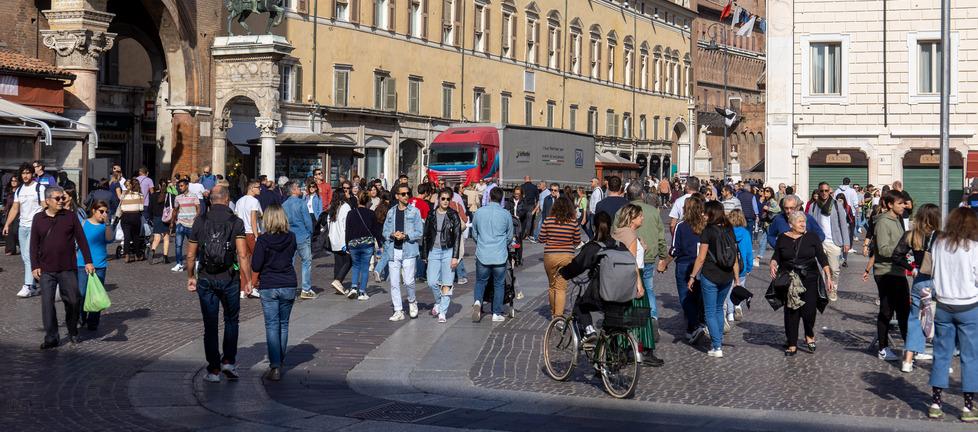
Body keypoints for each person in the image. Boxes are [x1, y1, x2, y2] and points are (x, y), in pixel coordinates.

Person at [185, 185, 252, 383]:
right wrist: (247, 280)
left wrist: (190, 276)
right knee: (232, 320)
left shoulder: (200, 220)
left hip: (206, 277)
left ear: (211, 199)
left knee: (210, 324)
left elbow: (190, 254)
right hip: (229, 277)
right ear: (227, 199)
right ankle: (229, 361)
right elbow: (242, 254)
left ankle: (213, 369)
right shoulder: (235, 222)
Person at [927, 207, 978, 421]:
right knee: (970, 358)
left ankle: (935, 403)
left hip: (944, 305)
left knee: (941, 354)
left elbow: (932, 270)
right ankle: (968, 407)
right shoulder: (974, 246)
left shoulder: (938, 243)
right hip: (968, 305)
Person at [31, 186, 95, 348]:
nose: (62, 201)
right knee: (47, 303)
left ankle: (72, 329)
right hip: (46, 269)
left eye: (63, 198)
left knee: (74, 300)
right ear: (47, 201)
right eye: (57, 198)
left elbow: (81, 239)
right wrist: (34, 265)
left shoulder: (70, 217)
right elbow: (33, 244)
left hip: (67, 267)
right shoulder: (38, 219)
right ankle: (51, 337)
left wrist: (88, 261)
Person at [770, 211, 831, 356]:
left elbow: (821, 257)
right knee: (792, 312)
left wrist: (828, 275)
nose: (803, 224)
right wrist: (773, 263)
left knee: (809, 311)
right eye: (800, 222)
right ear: (791, 224)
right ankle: (792, 343)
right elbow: (776, 256)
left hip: (809, 278)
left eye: (804, 221)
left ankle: (809, 334)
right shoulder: (782, 238)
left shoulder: (812, 237)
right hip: (790, 280)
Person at [249, 203, 296, 382]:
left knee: (271, 325)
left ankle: (275, 365)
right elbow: (290, 256)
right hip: (288, 282)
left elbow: (256, 265)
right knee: (283, 324)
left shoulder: (263, 240)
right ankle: (279, 361)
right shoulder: (291, 237)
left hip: (269, 284)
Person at [687, 201, 740, 358]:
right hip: (727, 275)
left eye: (705, 212)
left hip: (710, 275)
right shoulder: (729, 228)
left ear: (711, 214)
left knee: (710, 310)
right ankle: (718, 340)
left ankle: (716, 346)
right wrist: (736, 278)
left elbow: (701, 257)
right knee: (718, 309)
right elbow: (735, 257)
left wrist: (691, 277)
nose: (703, 215)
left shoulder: (708, 231)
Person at [612, 204, 663, 366]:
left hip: (622, 280)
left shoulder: (621, 232)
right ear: (632, 218)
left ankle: (626, 348)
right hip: (634, 277)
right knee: (641, 316)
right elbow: (632, 262)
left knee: (627, 315)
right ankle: (644, 351)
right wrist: (639, 285)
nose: (643, 218)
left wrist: (640, 244)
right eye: (640, 216)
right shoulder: (631, 236)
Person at [895, 203, 940, 373]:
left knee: (914, 319)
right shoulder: (941, 237)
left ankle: (907, 360)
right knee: (940, 321)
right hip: (938, 281)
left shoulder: (912, 235)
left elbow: (896, 255)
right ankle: (939, 362)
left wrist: (912, 268)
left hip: (920, 279)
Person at [659, 194, 706, 342]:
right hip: (701, 265)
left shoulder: (681, 225)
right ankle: (692, 328)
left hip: (684, 265)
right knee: (698, 297)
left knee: (686, 299)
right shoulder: (706, 225)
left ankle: (696, 325)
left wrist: (665, 263)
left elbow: (674, 250)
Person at [869, 189, 909, 362]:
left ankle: (910, 349)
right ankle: (883, 348)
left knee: (903, 311)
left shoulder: (898, 219)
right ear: (890, 205)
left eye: (904, 202)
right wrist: (903, 250)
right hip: (886, 271)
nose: (904, 206)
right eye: (900, 203)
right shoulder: (884, 222)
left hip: (898, 271)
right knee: (886, 311)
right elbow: (884, 249)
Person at [382, 184, 424, 321]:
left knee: (409, 281)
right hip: (393, 251)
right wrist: (393, 234)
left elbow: (419, 232)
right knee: (394, 283)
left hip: (409, 250)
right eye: (403, 194)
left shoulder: (414, 211)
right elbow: (385, 231)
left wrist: (405, 235)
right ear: (397, 196)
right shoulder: (391, 212)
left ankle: (412, 302)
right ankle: (398, 310)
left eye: (408, 193)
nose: (406, 196)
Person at [471, 187, 513, 323]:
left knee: (480, 281)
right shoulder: (506, 214)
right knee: (499, 284)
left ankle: (478, 302)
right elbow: (510, 236)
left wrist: (481, 242)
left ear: (489, 197)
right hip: (499, 254)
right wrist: (502, 244)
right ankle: (496, 313)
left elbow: (474, 233)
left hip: (483, 253)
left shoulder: (479, 212)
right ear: (501, 199)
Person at [4, 164, 46, 297]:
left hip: (36, 227)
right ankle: (38, 283)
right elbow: (15, 209)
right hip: (23, 226)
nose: (25, 175)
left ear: (32, 174)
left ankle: (28, 285)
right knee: (25, 257)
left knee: (28, 255)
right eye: (23, 173)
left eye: (28, 173)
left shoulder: (40, 188)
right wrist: (7, 225)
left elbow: (45, 206)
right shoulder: (19, 190)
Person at [422, 187, 464, 323]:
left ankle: (443, 312)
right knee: (431, 281)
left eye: (448, 199)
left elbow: (457, 236)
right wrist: (424, 254)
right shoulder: (431, 214)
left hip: (448, 251)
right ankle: (439, 301)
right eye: (443, 198)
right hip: (433, 251)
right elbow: (425, 235)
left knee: (447, 282)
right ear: (438, 199)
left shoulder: (453, 215)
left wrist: (455, 257)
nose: (445, 201)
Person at [539, 195, 582, 319]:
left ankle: (553, 313)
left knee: (552, 285)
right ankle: (558, 316)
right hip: (566, 256)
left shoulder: (548, 220)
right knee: (561, 287)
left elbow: (541, 238)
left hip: (550, 255)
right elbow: (577, 240)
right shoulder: (573, 222)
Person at [77, 200, 112, 331]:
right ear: (93, 211)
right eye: (101, 211)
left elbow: (109, 239)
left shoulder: (105, 226)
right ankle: (81, 318)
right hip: (82, 263)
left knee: (96, 294)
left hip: (100, 264)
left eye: (106, 212)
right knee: (82, 293)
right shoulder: (84, 223)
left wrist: (108, 223)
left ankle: (93, 322)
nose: (104, 214)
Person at [346, 191, 384, 301]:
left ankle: (353, 287)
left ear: (358, 200)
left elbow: (348, 230)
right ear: (368, 201)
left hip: (353, 243)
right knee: (365, 268)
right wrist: (380, 244)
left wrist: (347, 244)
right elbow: (376, 230)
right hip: (367, 243)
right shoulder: (371, 214)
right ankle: (362, 292)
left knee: (356, 266)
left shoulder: (351, 213)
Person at [282, 181, 315, 299]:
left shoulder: (284, 205)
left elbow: (283, 222)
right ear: (293, 190)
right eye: (297, 187)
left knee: (289, 263)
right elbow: (308, 221)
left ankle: (289, 288)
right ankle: (306, 289)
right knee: (306, 262)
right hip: (302, 235)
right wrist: (310, 232)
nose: (300, 189)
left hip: (289, 236)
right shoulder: (302, 203)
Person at [727, 209, 754, 322]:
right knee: (739, 287)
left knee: (729, 290)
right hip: (742, 266)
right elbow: (748, 252)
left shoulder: (726, 232)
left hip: (729, 265)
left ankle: (730, 314)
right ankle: (737, 305)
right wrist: (749, 267)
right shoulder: (745, 233)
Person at [327, 188, 354, 295]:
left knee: (338, 262)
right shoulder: (345, 207)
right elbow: (346, 225)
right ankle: (338, 280)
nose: (348, 193)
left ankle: (338, 284)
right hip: (343, 239)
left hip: (333, 238)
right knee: (349, 261)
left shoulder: (333, 207)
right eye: (346, 192)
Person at [119, 178, 145, 263]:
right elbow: (141, 208)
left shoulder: (124, 195)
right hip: (135, 216)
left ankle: (127, 255)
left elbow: (121, 206)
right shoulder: (140, 195)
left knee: (127, 236)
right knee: (136, 236)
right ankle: (137, 255)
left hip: (125, 216)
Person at [148, 179, 174, 265]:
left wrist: (151, 218)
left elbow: (149, 208)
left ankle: (152, 251)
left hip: (156, 217)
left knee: (157, 238)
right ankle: (165, 257)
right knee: (166, 238)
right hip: (165, 218)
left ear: (158, 186)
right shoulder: (169, 195)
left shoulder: (153, 195)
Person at [4, 175, 20, 255]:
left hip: (18, 213)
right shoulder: (9, 191)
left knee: (15, 230)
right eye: (12, 181)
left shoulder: (20, 191)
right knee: (8, 230)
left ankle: (21, 246)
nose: (13, 182)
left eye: (15, 181)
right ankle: (10, 249)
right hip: (8, 212)